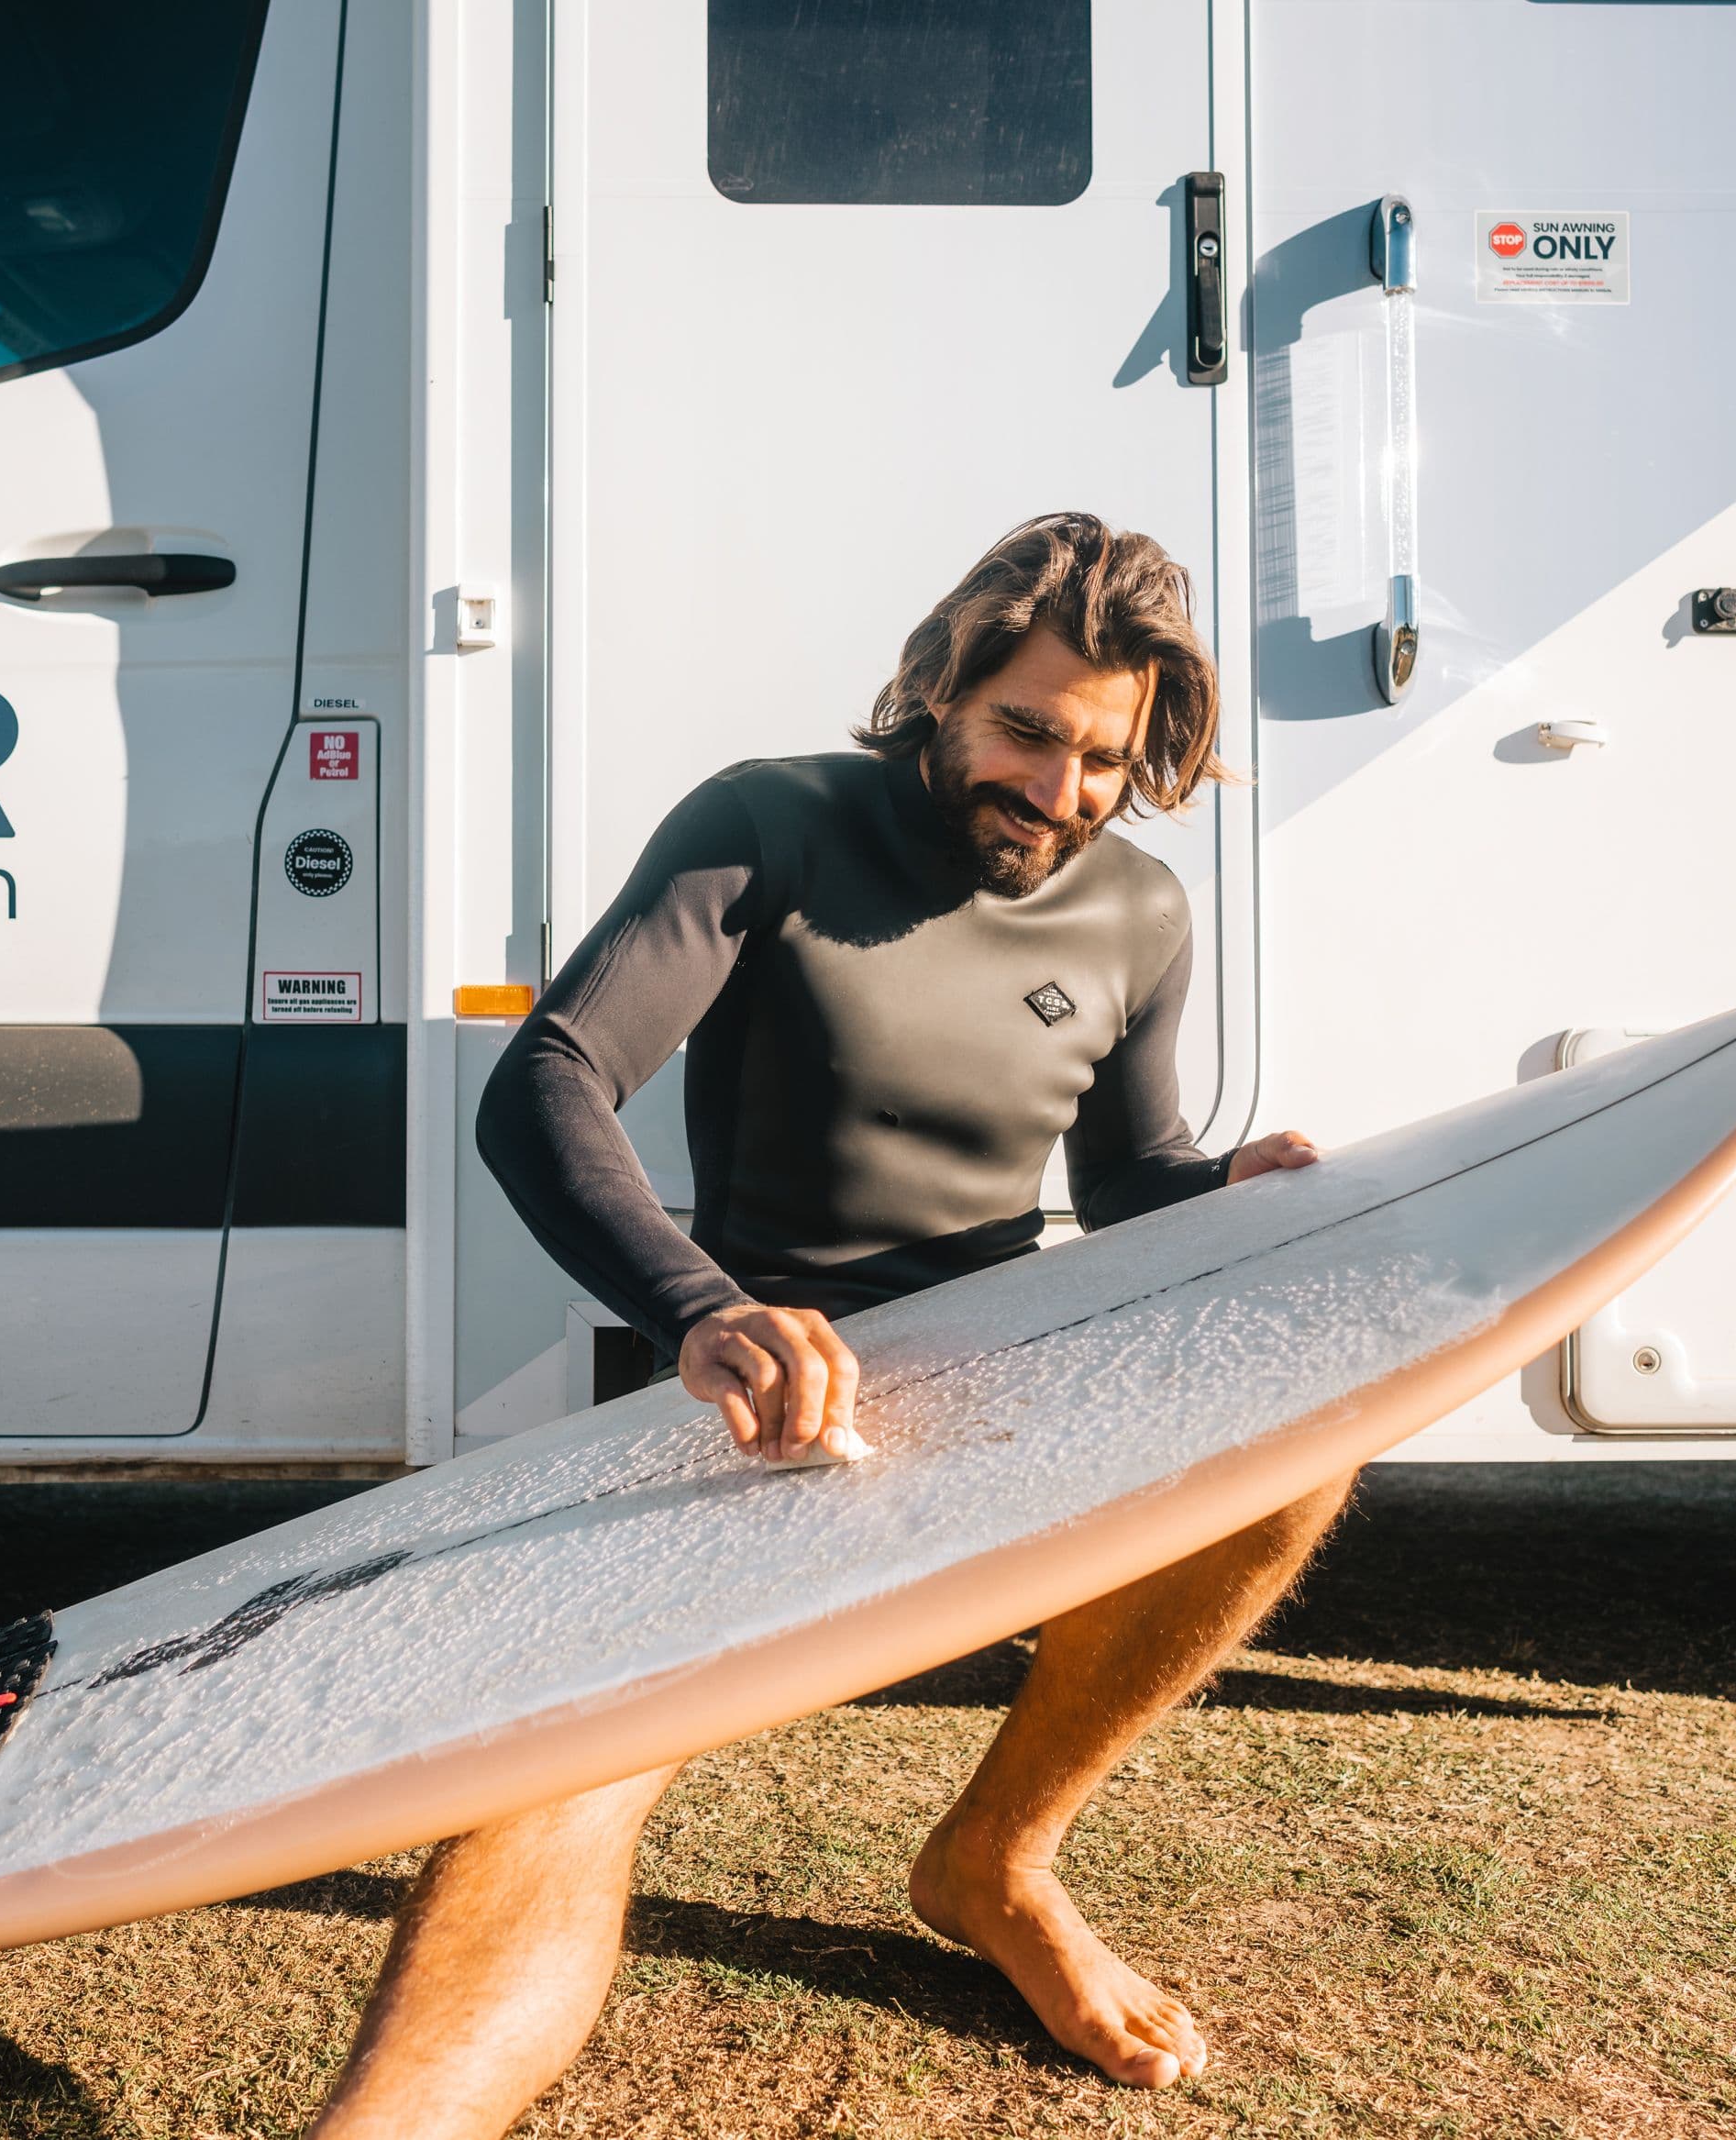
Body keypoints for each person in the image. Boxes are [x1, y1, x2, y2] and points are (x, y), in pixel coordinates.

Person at [309, 513, 1348, 2137]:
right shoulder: (771, 823)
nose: (1060, 791)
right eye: (1027, 733)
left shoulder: (1139, 910)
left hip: (1001, 1382)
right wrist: (705, 1309)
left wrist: (1227, 1184)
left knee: (1299, 1464)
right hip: (767, 1397)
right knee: (564, 1775)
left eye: (1102, 759)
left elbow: (1126, 1176)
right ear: (940, 683)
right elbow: (549, 1080)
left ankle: (998, 1856)